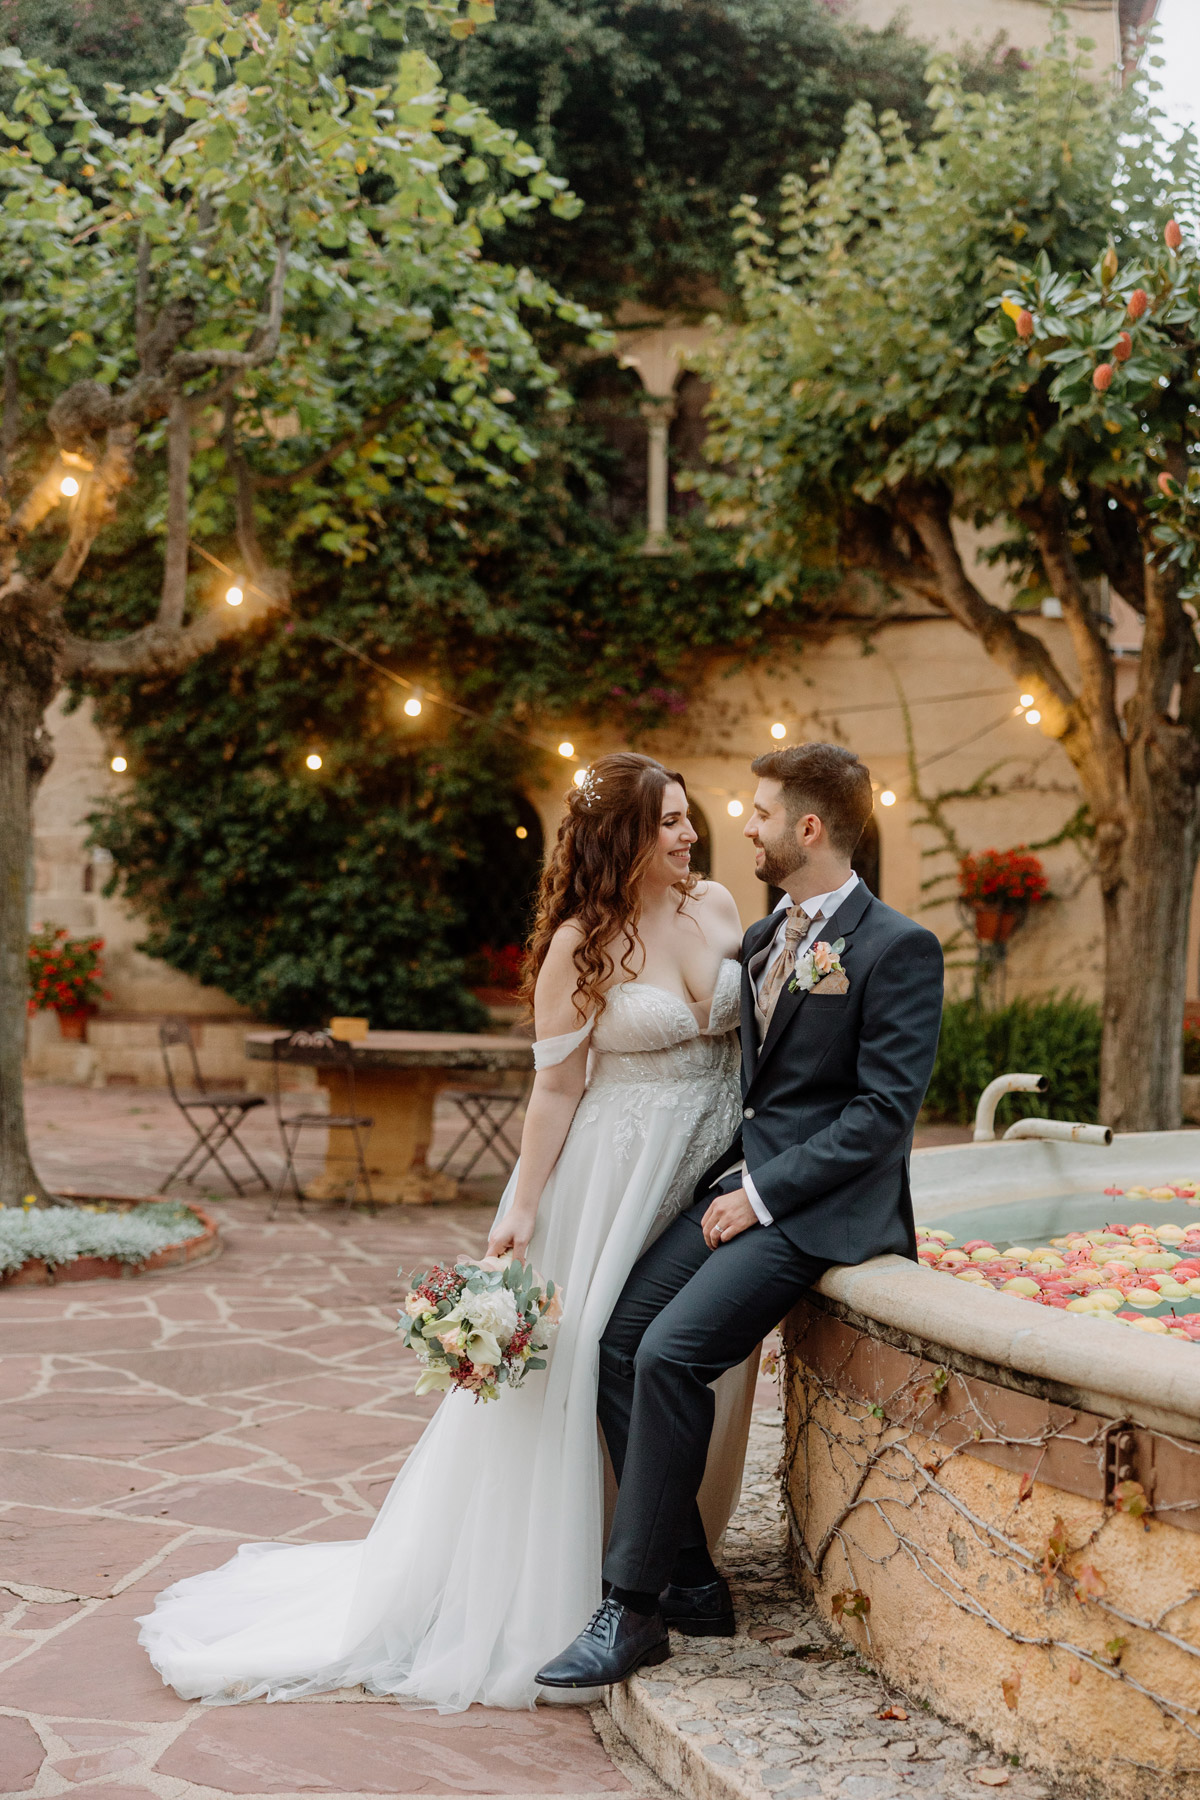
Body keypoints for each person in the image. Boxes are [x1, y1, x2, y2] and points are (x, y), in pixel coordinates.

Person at [138, 752, 749, 1712]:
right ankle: (666, 1570)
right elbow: (556, 1091)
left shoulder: (717, 908)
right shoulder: (579, 945)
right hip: (611, 1179)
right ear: (623, 837)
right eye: (668, 821)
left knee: (646, 1351)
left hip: (706, 1168)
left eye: (686, 819)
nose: (687, 834)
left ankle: (674, 1566)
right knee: (592, 1354)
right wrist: (522, 1203)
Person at [536, 742, 945, 1690]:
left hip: (822, 1213)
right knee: (615, 1339)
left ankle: (630, 1611)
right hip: (739, 1185)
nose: (742, 827)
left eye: (758, 813)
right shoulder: (762, 937)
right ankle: (686, 1575)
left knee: (672, 1352)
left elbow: (884, 1117)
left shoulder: (897, 948)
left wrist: (761, 1195)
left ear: (808, 827)